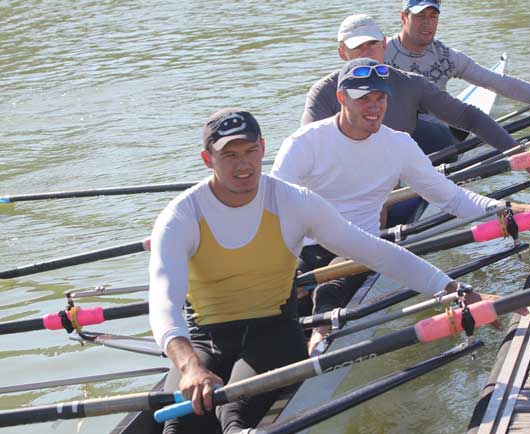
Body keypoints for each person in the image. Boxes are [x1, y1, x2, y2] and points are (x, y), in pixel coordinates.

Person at [149, 108, 485, 434]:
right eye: (229, 155)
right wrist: (189, 366)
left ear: (263, 148)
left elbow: (377, 252)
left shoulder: (293, 201)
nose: (243, 165)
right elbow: (164, 304)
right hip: (205, 339)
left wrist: (453, 288)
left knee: (233, 412)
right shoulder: (181, 216)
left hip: (274, 333)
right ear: (208, 159)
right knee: (179, 424)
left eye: (250, 151)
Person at [272, 58, 530, 354]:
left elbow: (452, 198)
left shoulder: (398, 145)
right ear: (341, 99)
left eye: (380, 98)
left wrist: (509, 210)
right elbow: (272, 214)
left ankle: (319, 335)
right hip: (303, 251)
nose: (374, 107)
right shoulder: (303, 144)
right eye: (363, 99)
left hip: (362, 251)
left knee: (332, 286)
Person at [301, 13, 519, 156]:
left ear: (384, 44)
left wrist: (519, 152)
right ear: (342, 53)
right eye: (358, 47)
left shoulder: (410, 84)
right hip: (347, 180)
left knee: (442, 140)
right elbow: (307, 151)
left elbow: (469, 117)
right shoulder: (323, 93)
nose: (367, 53)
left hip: (401, 170)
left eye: (372, 44)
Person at [385, 0, 530, 141]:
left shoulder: (446, 57)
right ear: (403, 17)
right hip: (388, 135)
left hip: (434, 139)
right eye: (420, 16)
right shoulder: (380, 51)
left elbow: (497, 82)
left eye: (433, 16)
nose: (427, 23)